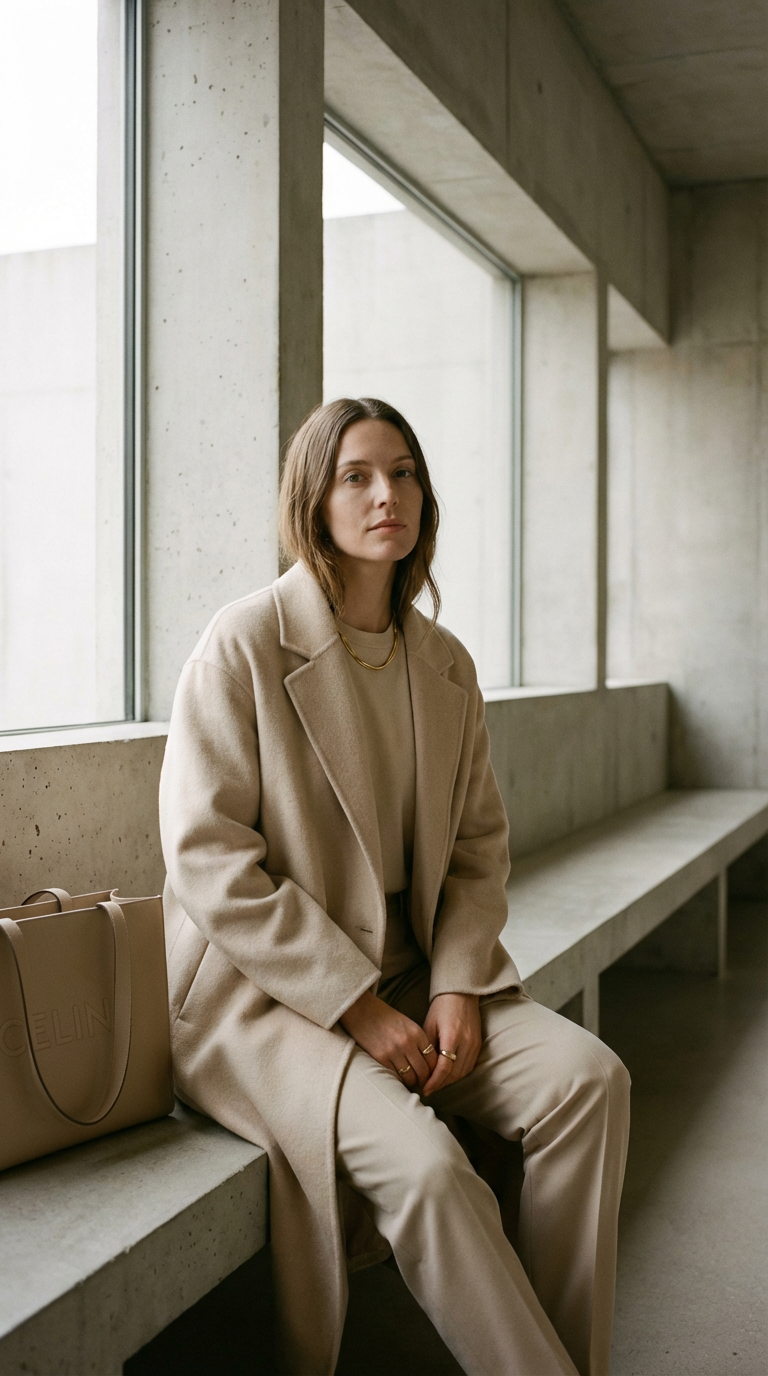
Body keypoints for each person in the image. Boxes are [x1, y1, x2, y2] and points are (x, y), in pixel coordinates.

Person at [159, 396, 630, 1376]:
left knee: (591, 1081)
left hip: (424, 977)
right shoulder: (243, 641)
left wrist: (457, 980)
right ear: (313, 498)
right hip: (276, 1003)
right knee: (428, 1168)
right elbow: (206, 854)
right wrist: (356, 1003)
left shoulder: (444, 664)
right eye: (359, 475)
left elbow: (475, 846)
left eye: (406, 471)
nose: (388, 494)